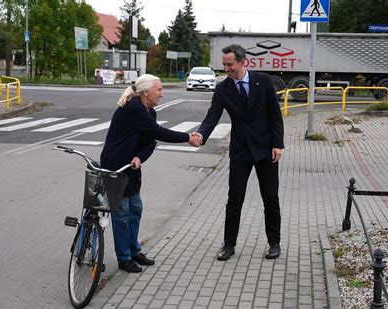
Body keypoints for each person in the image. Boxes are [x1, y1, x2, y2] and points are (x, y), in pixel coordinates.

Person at [190, 44, 284, 260]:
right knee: (234, 199)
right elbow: (212, 116)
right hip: (241, 150)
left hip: (266, 149)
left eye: (229, 64)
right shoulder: (223, 89)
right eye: (224, 65)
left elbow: (275, 116)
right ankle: (229, 245)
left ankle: (274, 243)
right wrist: (201, 135)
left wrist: (277, 144)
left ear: (243, 62)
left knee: (270, 198)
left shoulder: (264, 81)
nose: (226, 69)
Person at [100, 74, 200, 273]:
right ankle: (124, 258)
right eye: (159, 89)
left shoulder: (148, 112)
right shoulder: (133, 108)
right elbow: (159, 133)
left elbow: (150, 141)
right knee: (122, 214)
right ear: (146, 93)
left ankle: (134, 250)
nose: (162, 93)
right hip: (116, 166)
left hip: (132, 167)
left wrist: (139, 157)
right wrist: (188, 137)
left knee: (135, 208)